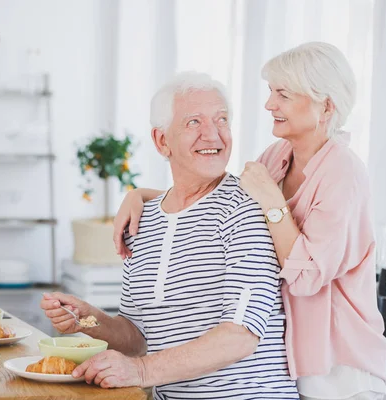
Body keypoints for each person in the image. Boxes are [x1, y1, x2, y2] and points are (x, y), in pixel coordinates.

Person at [113, 42, 386, 400]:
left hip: (340, 367)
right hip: (297, 360)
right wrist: (143, 196)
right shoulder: (278, 157)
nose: (269, 104)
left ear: (326, 106)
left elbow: (306, 278)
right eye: (271, 92)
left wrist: (274, 203)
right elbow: (212, 183)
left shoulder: (344, 174)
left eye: (283, 94)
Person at [41, 72, 298, 399]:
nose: (212, 134)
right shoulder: (142, 220)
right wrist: (88, 320)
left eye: (222, 119)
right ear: (162, 141)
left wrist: (141, 370)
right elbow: (139, 336)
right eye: (194, 122)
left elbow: (240, 334)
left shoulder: (245, 208)